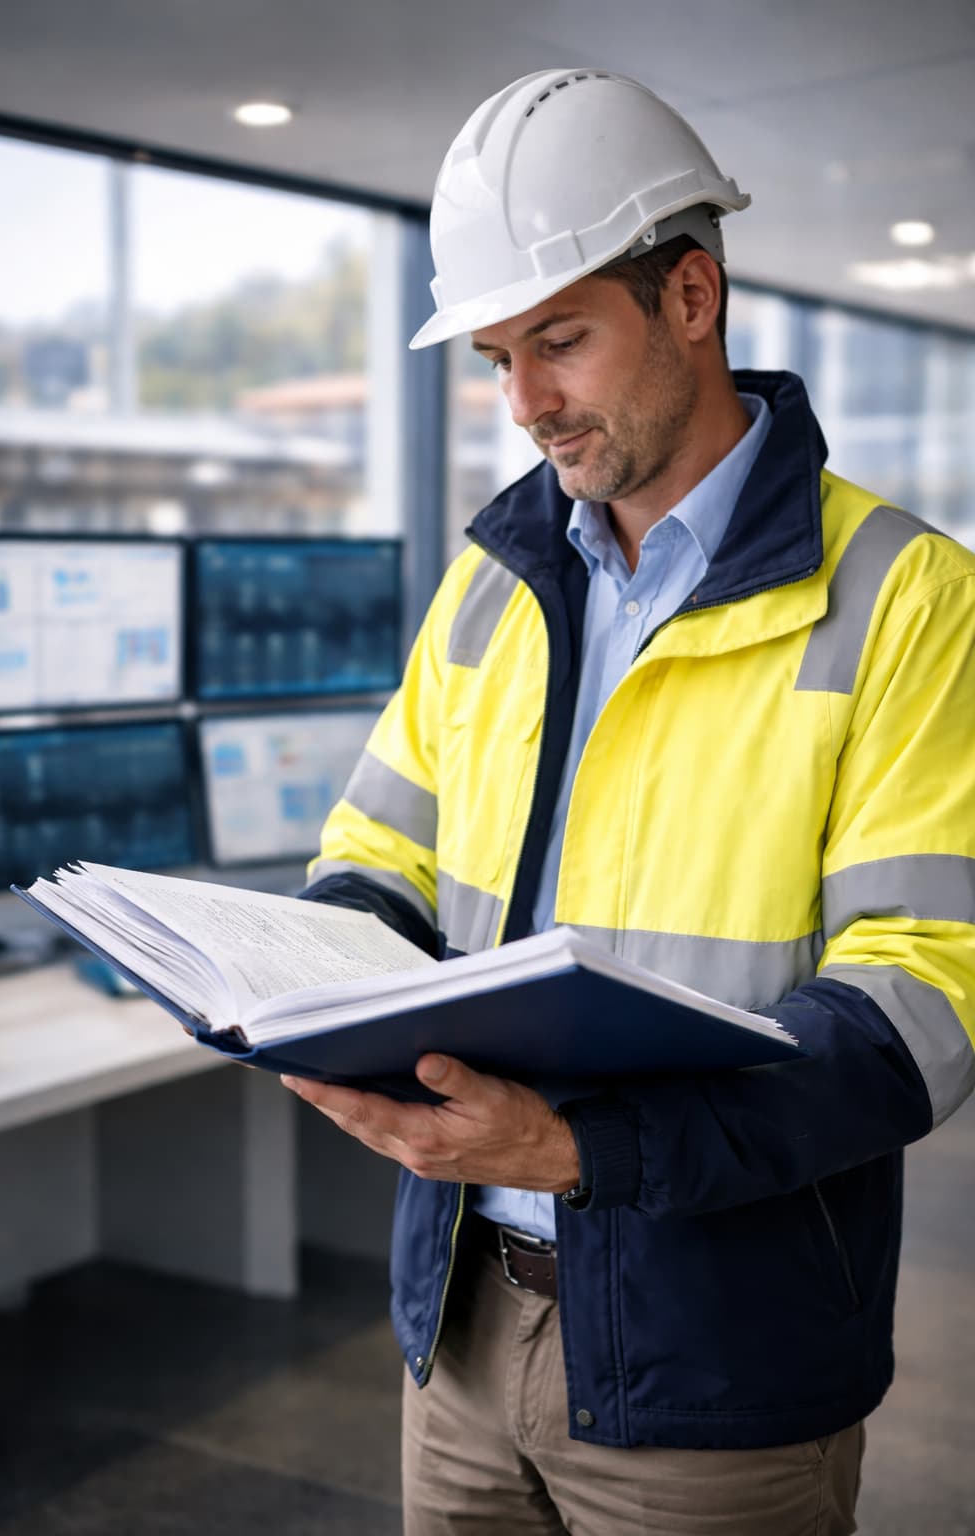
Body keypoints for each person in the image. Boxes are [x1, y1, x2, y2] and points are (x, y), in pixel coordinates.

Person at [282, 68, 975, 1535]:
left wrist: (590, 1148)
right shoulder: (491, 582)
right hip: (458, 1336)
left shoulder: (907, 601)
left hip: (719, 1363)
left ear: (693, 297)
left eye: (563, 340)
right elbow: (374, 852)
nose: (527, 402)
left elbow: (924, 1008)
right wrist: (317, 988)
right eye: (497, 358)